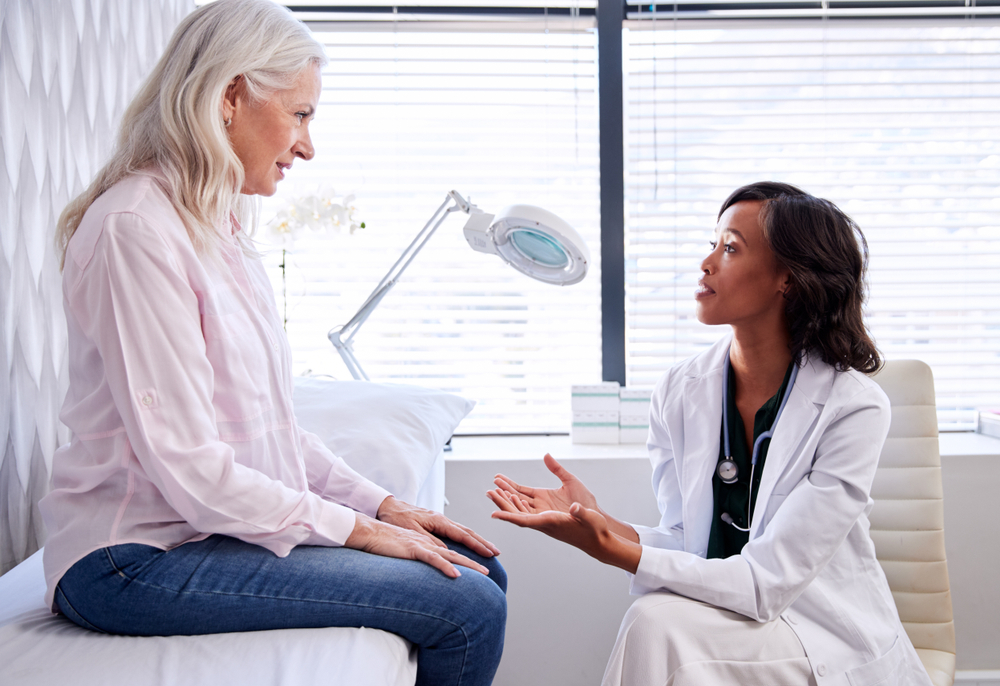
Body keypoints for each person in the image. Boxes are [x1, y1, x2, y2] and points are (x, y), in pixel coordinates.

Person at [39, 2, 506, 685]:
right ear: (229, 96)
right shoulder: (136, 230)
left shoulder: (218, 231)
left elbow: (269, 429)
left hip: (195, 535)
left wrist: (382, 506)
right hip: (128, 560)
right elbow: (194, 468)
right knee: (466, 607)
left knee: (478, 568)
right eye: (301, 114)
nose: (308, 145)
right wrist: (358, 532)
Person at [488, 182, 932, 686]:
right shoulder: (680, 390)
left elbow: (767, 583)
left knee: (655, 623)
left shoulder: (852, 407)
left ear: (787, 278)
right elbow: (687, 541)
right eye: (712, 242)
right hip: (727, 619)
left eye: (730, 248)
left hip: (819, 634)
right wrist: (598, 522)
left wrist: (609, 548)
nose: (705, 262)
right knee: (656, 622)